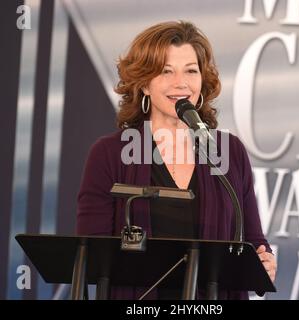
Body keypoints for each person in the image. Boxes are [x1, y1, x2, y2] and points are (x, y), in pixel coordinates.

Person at [77, 20, 277, 299]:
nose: (180, 83)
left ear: (202, 82)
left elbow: (253, 241)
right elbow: (91, 257)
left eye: (191, 71)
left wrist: (263, 261)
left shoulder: (229, 152)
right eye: (165, 71)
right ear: (144, 84)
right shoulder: (109, 154)